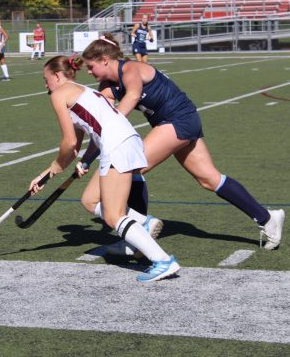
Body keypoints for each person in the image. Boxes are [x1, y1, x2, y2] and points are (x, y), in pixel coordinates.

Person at [76, 33, 285, 254]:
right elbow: (102, 123)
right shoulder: (107, 86)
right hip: (176, 122)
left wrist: (112, 125)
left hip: (178, 120)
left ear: (105, 60)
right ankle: (269, 218)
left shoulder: (130, 69)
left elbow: (133, 96)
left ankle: (137, 235)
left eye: (91, 66)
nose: (89, 72)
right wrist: (87, 159)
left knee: (132, 165)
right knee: (209, 179)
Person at [28, 55, 180, 282]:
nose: (45, 84)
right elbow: (77, 144)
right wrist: (47, 175)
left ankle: (163, 261)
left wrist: (56, 166)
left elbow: (68, 143)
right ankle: (142, 223)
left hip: (115, 145)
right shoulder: (83, 91)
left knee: (113, 216)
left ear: (57, 76)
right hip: (128, 140)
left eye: (46, 78)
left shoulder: (59, 94)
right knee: (89, 199)